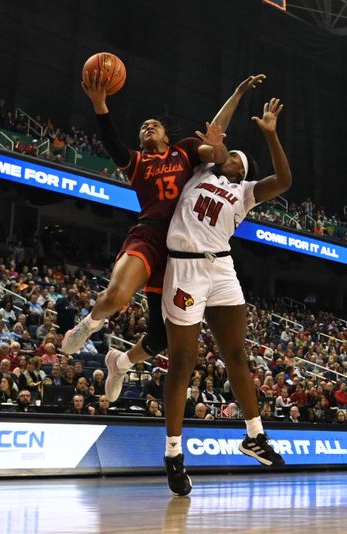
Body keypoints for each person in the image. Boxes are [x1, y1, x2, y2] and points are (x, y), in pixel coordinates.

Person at [110, 96, 292, 495]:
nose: (234, 162)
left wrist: (272, 136)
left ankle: (254, 435)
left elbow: (284, 181)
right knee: (183, 363)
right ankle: (173, 455)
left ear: (243, 172)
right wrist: (235, 101)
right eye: (232, 158)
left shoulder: (244, 193)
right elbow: (216, 133)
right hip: (185, 268)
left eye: (241, 163)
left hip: (222, 269)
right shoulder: (196, 169)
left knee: (237, 354)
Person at [65, 71, 266, 404]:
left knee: (160, 337)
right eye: (142, 126)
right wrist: (101, 106)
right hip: (148, 234)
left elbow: (215, 141)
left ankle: (121, 363)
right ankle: (89, 324)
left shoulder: (186, 153)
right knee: (117, 297)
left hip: (179, 253)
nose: (147, 126)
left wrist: (236, 94)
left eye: (153, 123)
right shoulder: (138, 162)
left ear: (166, 133)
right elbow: (115, 146)